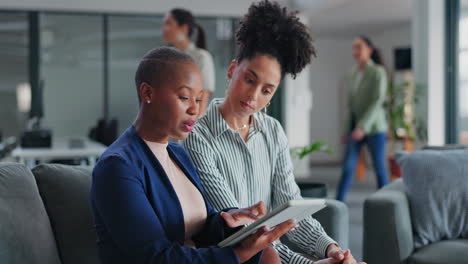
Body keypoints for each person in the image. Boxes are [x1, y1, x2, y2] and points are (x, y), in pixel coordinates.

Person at [183, 1, 365, 264]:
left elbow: (292, 208)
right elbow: (241, 232)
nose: (254, 96)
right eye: (249, 79)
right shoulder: (198, 137)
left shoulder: (273, 132)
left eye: (267, 90)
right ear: (233, 70)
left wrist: (331, 250)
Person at [90, 46, 298, 264]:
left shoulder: (178, 153)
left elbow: (199, 228)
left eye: (198, 100)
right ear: (147, 93)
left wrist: (228, 219)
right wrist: (239, 253)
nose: (194, 110)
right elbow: (155, 257)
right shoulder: (118, 166)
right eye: (184, 97)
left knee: (267, 254)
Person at [337, 36, 389, 202]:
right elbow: (350, 105)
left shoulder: (378, 72)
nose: (355, 51)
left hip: (374, 128)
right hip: (354, 129)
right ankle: (338, 203)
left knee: (379, 167)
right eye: (354, 48)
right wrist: (347, 129)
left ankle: (387, 202)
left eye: (359, 47)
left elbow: (377, 101)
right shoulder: (352, 74)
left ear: (369, 50)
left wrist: (363, 126)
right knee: (347, 167)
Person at [162, 8, 215, 116]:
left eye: (168, 24)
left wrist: (193, 129)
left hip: (189, 124)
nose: (163, 29)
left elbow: (203, 97)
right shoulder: (166, 58)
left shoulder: (201, 57)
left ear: (184, 28)